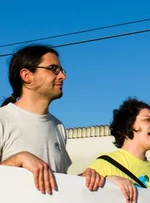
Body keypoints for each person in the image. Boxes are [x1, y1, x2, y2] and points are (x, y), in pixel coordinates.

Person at [0, 44, 103, 194]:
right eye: (53, 69)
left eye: (61, 70)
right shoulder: (3, 118)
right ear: (26, 75)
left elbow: (57, 186)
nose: (62, 76)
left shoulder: (59, 127)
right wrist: (17, 159)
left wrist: (88, 178)